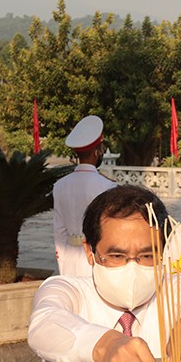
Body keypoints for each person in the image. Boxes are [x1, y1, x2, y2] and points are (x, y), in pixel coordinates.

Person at [30, 185, 181, 362]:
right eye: (116, 256)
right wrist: (107, 344)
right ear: (89, 251)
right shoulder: (67, 290)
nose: (133, 267)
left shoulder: (175, 287)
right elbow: (44, 324)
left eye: (147, 256)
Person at [53, 115, 117, 277]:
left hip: (69, 258)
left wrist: (62, 262)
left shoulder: (60, 185)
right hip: (95, 258)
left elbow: (59, 230)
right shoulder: (108, 186)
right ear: (97, 152)